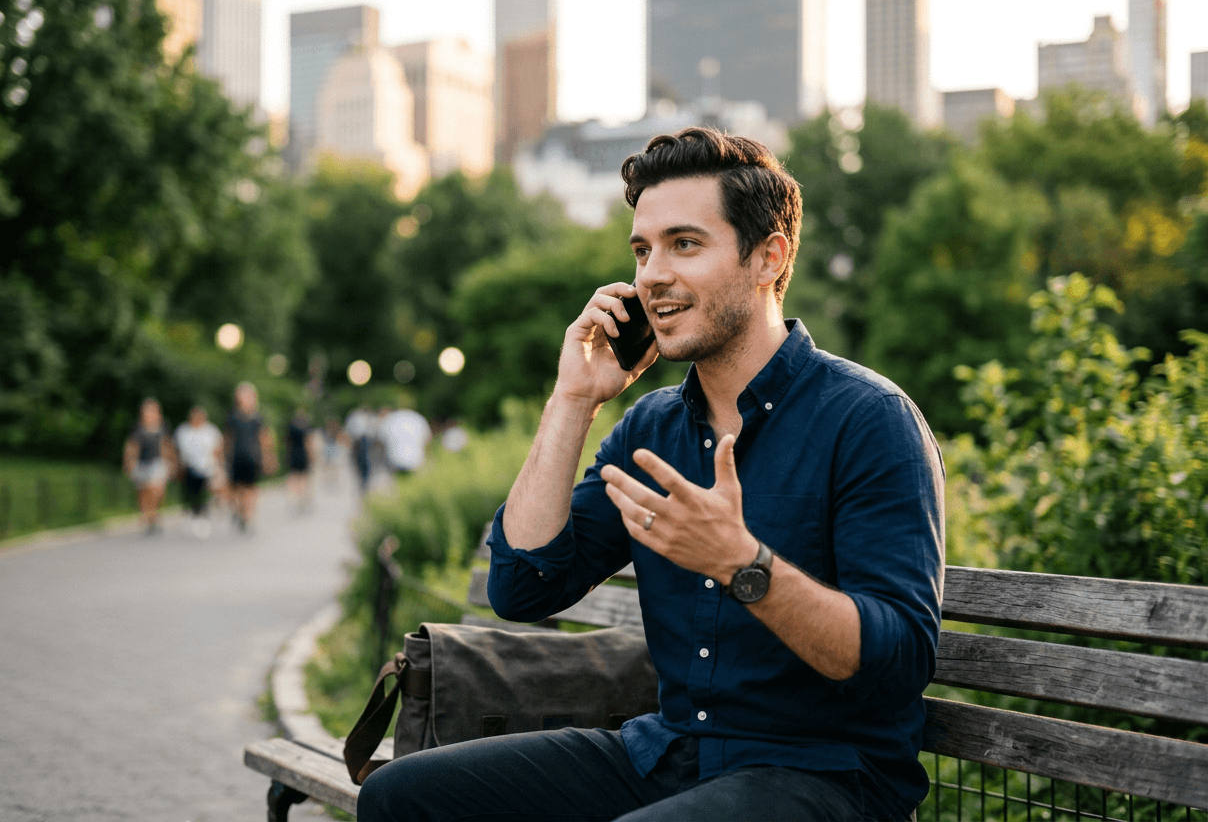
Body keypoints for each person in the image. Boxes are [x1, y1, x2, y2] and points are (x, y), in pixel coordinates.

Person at [357, 127, 946, 822]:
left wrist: (741, 563)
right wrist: (573, 398)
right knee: (401, 796)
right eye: (643, 250)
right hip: (669, 756)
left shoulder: (868, 420)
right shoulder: (653, 429)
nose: (651, 275)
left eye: (684, 244)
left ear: (768, 257)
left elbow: (898, 658)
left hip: (825, 777)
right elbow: (521, 588)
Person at [223, 382, 274, 532]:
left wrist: (268, 457)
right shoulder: (232, 417)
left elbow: (264, 438)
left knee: (251, 488)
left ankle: (248, 516)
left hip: (253, 458)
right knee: (236, 489)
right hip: (236, 457)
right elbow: (227, 438)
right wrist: (223, 458)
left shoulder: (257, 418)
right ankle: (239, 511)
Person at [122, 397, 177, 534]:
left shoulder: (163, 427)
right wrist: (128, 463)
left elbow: (168, 445)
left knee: (157, 490)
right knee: (144, 492)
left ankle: (153, 514)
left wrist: (172, 463)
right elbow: (131, 446)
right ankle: (149, 516)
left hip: (157, 462)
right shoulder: (137, 428)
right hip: (141, 463)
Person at [173, 405, 223, 538]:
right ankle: (196, 514)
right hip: (189, 467)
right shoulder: (183, 431)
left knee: (206, 492)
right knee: (193, 493)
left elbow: (218, 448)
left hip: (207, 467)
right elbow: (178, 450)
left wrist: (219, 466)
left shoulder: (210, 430)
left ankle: (204, 514)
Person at [379, 406, 431, 477]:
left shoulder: (390, 419)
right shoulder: (417, 418)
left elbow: (381, 441)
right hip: (415, 460)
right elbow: (427, 438)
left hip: (393, 460)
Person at [285, 406, 315, 511]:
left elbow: (287, 441)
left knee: (294, 477)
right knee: (303, 477)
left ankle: (295, 498)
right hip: (303, 454)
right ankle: (302, 498)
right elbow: (308, 442)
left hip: (293, 453)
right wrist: (312, 456)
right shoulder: (306, 427)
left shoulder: (291, 426)